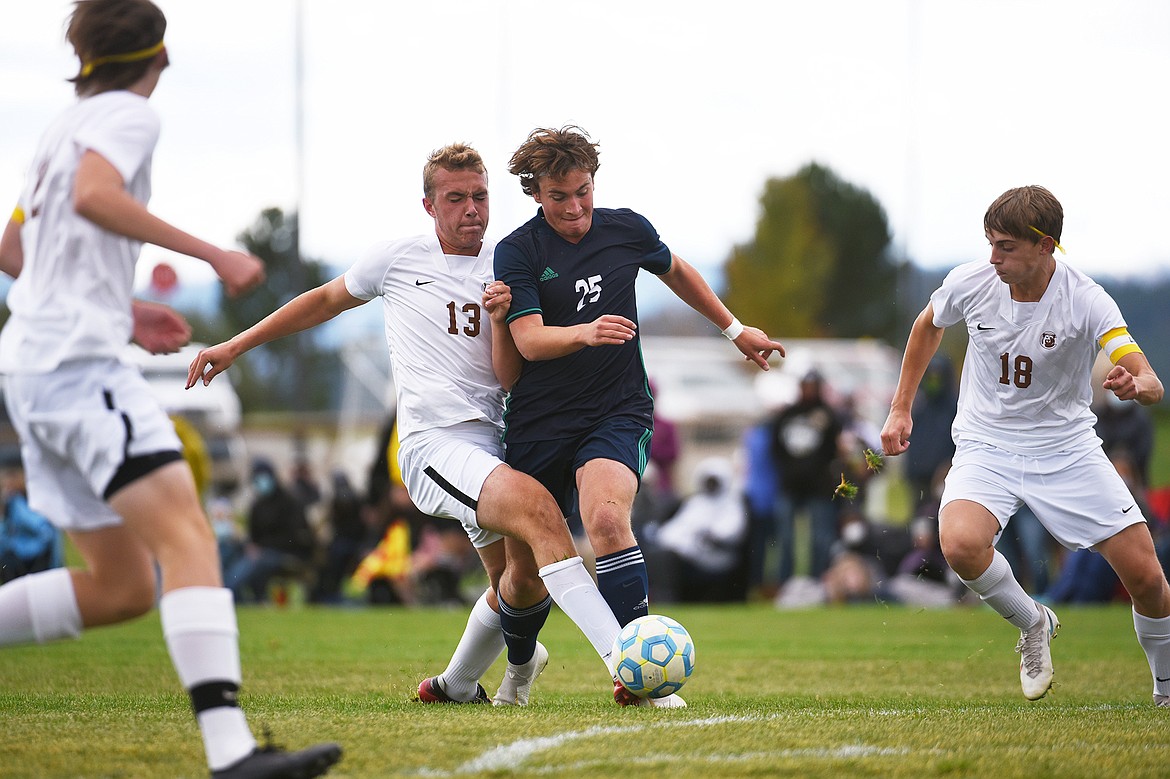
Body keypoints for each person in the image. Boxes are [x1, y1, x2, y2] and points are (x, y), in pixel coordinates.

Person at [0, 2, 341, 776]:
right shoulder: (126, 115)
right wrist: (214, 254)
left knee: (122, 586)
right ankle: (232, 752)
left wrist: (121, 311)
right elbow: (94, 196)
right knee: (188, 535)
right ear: (160, 57)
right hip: (75, 369)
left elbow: (13, 246)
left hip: (33, 365)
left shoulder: (61, 124)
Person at [187, 143, 632, 707]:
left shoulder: (513, 258)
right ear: (429, 205)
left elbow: (521, 363)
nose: (471, 208)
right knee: (542, 516)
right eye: (456, 198)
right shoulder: (397, 259)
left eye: (479, 196)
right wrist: (235, 344)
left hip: (498, 442)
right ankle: (627, 662)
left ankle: (462, 683)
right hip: (435, 445)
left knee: (520, 581)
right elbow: (323, 301)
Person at [492, 126, 784, 683]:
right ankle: (520, 669)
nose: (576, 207)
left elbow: (675, 270)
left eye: (584, 190)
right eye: (560, 197)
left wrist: (735, 329)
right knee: (523, 576)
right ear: (535, 193)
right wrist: (584, 332)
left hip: (616, 411)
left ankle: (643, 671)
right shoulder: (518, 251)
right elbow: (528, 340)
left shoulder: (626, 229)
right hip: (539, 424)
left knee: (605, 519)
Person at [880, 185, 1170, 706]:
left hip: (1067, 449)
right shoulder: (970, 282)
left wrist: (1137, 385)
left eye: (1007, 246)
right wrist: (901, 407)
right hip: (986, 445)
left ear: (1046, 245)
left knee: (1147, 576)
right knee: (960, 546)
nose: (993, 258)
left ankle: (1167, 687)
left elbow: (1150, 379)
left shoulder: (1086, 299)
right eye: (990, 243)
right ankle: (1033, 622)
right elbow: (927, 327)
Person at [766, 369, 845, 584]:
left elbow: (839, 449)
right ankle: (785, 584)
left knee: (820, 538)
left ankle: (817, 582)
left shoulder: (829, 415)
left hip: (819, 487)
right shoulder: (787, 415)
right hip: (789, 486)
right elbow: (775, 448)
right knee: (785, 538)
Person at [224, 459, 318, 604]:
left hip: (286, 553)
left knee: (255, 562)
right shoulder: (257, 505)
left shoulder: (290, 502)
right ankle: (236, 595)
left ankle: (231, 593)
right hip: (261, 551)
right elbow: (253, 534)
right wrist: (252, 545)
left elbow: (295, 537)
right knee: (229, 549)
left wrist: (262, 547)